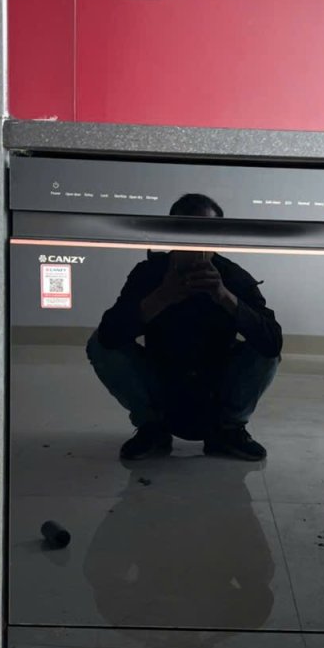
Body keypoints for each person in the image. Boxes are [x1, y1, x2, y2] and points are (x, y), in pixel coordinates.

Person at [86, 193, 282, 461]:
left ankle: (229, 429)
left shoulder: (233, 277)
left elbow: (272, 344)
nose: (194, 242)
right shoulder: (150, 273)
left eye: (204, 233)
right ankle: (151, 428)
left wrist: (224, 296)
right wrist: (161, 297)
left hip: (218, 384)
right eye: (185, 231)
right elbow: (108, 337)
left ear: (218, 237)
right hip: (162, 380)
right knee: (98, 344)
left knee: (264, 347)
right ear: (171, 234)